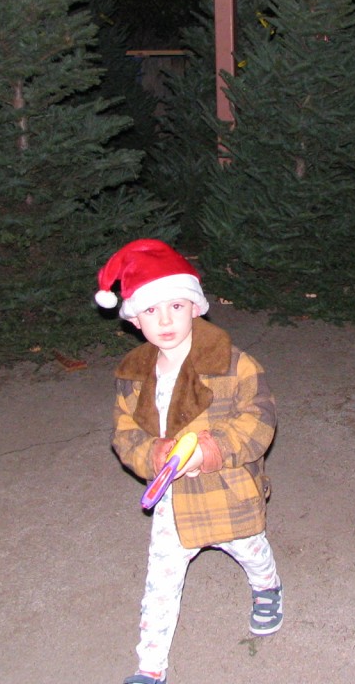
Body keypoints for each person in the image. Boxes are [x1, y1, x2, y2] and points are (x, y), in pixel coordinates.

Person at [95, 239, 283, 684]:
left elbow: (260, 418)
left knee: (251, 549)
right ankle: (150, 666)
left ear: (195, 307)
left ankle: (268, 587)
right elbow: (125, 432)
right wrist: (154, 454)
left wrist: (211, 449)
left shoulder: (235, 365)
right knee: (160, 581)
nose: (165, 320)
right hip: (173, 502)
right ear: (134, 319)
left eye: (176, 306)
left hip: (228, 489)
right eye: (151, 310)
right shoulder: (132, 375)